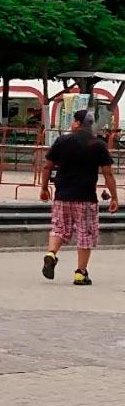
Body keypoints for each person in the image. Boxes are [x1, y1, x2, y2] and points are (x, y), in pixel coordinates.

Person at [40, 109, 119, 285]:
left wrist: (44, 188)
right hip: (86, 198)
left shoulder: (62, 141)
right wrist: (114, 197)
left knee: (59, 228)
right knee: (86, 234)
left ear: (77, 123)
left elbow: (47, 167)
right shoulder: (98, 145)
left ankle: (51, 253)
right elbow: (108, 173)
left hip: (62, 195)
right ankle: (80, 273)